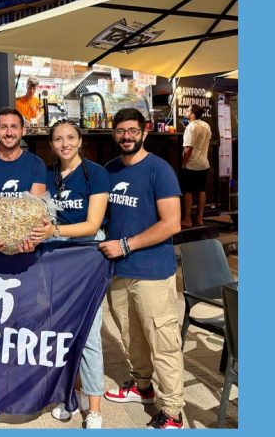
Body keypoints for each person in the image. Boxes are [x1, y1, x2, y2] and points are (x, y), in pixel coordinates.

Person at [97, 108, 185, 429]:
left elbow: (172, 222)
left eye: (132, 131)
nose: (126, 137)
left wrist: (126, 244)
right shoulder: (109, 171)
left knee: (162, 341)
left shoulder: (159, 171)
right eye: (120, 131)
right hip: (118, 271)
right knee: (131, 336)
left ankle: (173, 411)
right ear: (114, 134)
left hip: (152, 272)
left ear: (144, 132)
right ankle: (142, 386)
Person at [28, 120, 109, 429]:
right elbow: (34, 212)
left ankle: (95, 408)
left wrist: (55, 230)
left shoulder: (95, 174)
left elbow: (92, 224)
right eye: (58, 139)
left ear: (80, 141)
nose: (65, 143)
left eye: (70, 138)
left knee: (88, 335)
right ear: (51, 145)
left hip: (86, 261)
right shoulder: (45, 175)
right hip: (53, 262)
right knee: (60, 332)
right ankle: (67, 396)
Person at [0, 106, 47, 420]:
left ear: (23, 130)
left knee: (27, 325)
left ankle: (27, 388)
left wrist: (28, 239)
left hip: (27, 258)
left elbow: (35, 210)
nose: (9, 132)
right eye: (3, 127)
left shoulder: (37, 164)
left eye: (14, 127)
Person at [180, 104, 212, 228]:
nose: (185, 111)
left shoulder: (191, 127)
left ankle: (187, 220)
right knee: (201, 191)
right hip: (204, 163)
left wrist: (184, 162)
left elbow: (188, 148)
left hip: (192, 164)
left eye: (187, 110)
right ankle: (199, 219)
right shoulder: (206, 125)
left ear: (192, 115)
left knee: (188, 191)